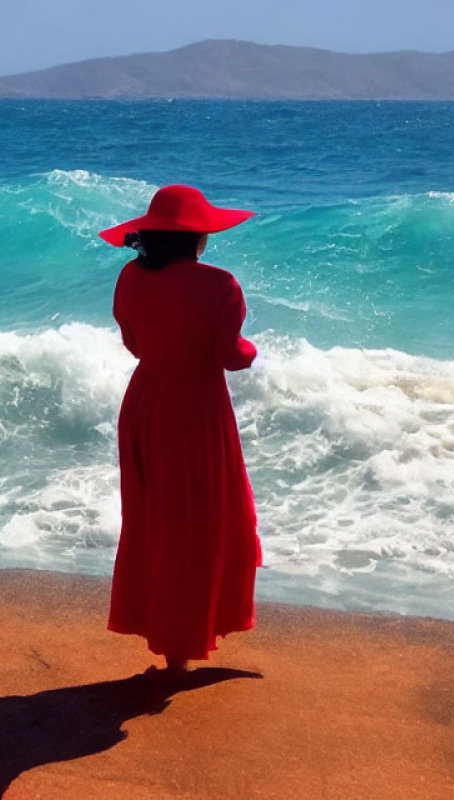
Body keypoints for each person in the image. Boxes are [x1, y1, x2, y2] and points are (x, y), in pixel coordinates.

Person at [99, 184, 262, 675]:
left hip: (146, 402)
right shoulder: (221, 285)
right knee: (204, 523)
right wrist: (253, 351)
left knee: (157, 523)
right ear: (197, 238)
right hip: (197, 409)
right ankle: (182, 649)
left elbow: (133, 342)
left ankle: (172, 645)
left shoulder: (129, 277)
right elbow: (229, 357)